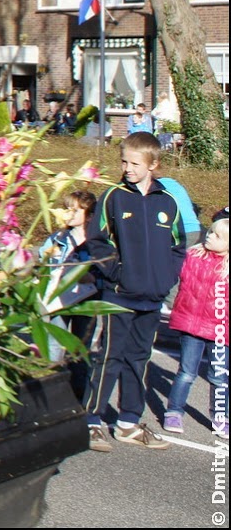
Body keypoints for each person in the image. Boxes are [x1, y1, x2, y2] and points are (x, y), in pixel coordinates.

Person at [83, 131, 187, 451]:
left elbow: (179, 246)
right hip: (119, 295)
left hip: (151, 298)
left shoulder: (167, 202)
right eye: (124, 161)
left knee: (138, 359)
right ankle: (91, 421)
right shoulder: (113, 196)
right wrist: (117, 274)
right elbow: (97, 241)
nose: (127, 168)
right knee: (110, 356)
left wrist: (165, 278)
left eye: (134, 163)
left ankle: (128, 422)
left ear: (153, 164)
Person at [161, 217, 228, 438]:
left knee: (219, 377)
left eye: (217, 235)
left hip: (220, 330)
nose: (209, 236)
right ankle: (174, 411)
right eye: (210, 231)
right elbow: (171, 276)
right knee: (187, 372)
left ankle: (220, 418)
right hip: (191, 325)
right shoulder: (192, 255)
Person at [39, 190, 99, 389]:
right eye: (66, 209)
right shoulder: (58, 238)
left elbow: (100, 274)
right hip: (59, 300)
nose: (68, 213)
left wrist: (83, 273)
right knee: (54, 347)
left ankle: (78, 398)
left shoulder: (96, 243)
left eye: (75, 210)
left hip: (86, 301)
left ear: (89, 215)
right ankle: (49, 391)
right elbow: (42, 260)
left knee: (80, 352)